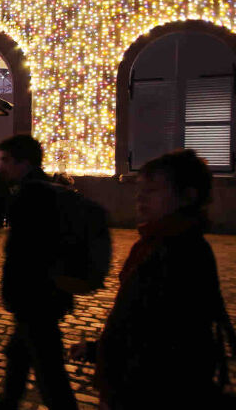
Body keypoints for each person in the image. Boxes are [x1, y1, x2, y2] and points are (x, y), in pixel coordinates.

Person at [69, 150, 236, 410]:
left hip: (147, 391)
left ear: (187, 196)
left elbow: (164, 337)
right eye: (141, 188)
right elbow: (135, 320)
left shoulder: (180, 252)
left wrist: (117, 371)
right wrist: (98, 350)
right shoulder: (155, 242)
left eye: (153, 190)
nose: (140, 196)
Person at [0, 134, 78, 410]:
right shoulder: (42, 189)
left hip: (36, 297)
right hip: (42, 296)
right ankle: (7, 402)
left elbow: (25, 254)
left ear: (23, 162)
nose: (1, 167)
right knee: (20, 354)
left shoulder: (32, 195)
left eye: (6, 160)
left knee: (49, 372)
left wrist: (12, 292)